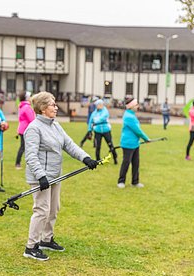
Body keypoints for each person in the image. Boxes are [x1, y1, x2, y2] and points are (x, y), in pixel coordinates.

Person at [23, 91, 98, 261]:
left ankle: (46, 239)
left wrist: (86, 158)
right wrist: (41, 176)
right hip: (40, 178)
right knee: (41, 210)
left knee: (53, 209)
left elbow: (69, 145)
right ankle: (31, 246)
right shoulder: (34, 128)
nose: (56, 107)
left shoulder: (55, 125)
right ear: (43, 108)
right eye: (52, 105)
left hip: (56, 176)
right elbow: (31, 156)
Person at [117, 97, 150, 189]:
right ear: (131, 106)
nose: (138, 106)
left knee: (136, 163)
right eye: (136, 105)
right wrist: (146, 138)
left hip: (135, 143)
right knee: (126, 163)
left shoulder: (132, 114)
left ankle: (135, 182)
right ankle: (121, 181)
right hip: (128, 144)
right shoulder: (128, 116)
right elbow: (137, 130)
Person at [88, 99, 118, 164]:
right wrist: (90, 130)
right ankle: (98, 160)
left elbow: (102, 118)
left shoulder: (105, 111)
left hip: (106, 131)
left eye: (101, 104)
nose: (100, 106)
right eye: (98, 104)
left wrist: (95, 120)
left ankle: (115, 157)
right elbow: (90, 121)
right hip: (97, 131)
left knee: (110, 145)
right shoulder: (94, 113)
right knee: (98, 146)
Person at [15, 91, 35, 169]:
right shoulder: (27, 107)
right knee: (24, 147)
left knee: (24, 147)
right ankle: (18, 163)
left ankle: (20, 162)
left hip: (22, 129)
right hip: (26, 130)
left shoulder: (22, 106)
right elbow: (32, 119)